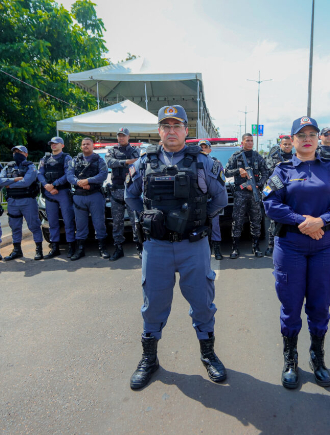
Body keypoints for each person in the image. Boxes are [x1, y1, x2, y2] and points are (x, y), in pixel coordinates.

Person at [124, 105, 229, 390]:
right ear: (159, 131)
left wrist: (198, 219)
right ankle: (149, 359)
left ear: (186, 130)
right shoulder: (144, 163)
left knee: (202, 303)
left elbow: (220, 199)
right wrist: (149, 219)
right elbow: (130, 196)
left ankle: (208, 354)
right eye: (166, 126)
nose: (171, 131)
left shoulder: (203, 163)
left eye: (177, 125)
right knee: (153, 304)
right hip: (156, 246)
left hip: (193, 245)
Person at [263, 116, 330, 389]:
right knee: (291, 304)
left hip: (324, 246)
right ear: (292, 140)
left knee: (320, 303)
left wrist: (322, 221)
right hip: (290, 245)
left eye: (312, 134)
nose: (307, 139)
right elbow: (270, 203)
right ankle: (290, 358)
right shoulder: (282, 170)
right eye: (301, 135)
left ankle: (317, 356)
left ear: (318, 139)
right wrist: (303, 221)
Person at [224, 133, 269, 258]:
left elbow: (266, 172)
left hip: (254, 193)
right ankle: (235, 248)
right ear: (242, 142)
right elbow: (226, 172)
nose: (250, 143)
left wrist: (258, 185)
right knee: (237, 221)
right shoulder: (236, 157)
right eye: (247, 140)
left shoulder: (257, 156)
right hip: (240, 193)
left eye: (251, 141)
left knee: (256, 220)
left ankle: (256, 247)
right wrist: (238, 171)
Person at [0, 146, 44, 261]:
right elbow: (0, 181)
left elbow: (26, 182)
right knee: (15, 226)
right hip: (12, 201)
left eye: (19, 152)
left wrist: (9, 184)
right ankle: (17, 250)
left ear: (26, 154)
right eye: (15, 152)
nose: (16, 153)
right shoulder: (8, 167)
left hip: (28, 201)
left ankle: (39, 250)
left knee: (34, 225)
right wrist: (15, 179)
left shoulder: (30, 167)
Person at [68, 137, 110, 261]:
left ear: (92, 146)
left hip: (95, 195)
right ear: (81, 146)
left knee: (99, 223)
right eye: (83, 144)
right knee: (80, 224)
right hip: (79, 196)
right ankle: (80, 249)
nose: (85, 146)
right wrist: (79, 182)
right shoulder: (75, 160)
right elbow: (69, 175)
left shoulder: (99, 160)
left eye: (88, 144)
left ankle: (102, 248)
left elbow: (103, 175)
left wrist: (88, 181)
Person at [105, 127, 142, 261]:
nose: (121, 138)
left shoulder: (135, 150)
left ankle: (139, 247)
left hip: (132, 189)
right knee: (117, 223)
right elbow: (109, 162)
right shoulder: (112, 150)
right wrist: (126, 162)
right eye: (119, 135)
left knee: (136, 221)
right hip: (117, 190)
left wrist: (122, 163)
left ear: (128, 137)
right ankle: (118, 248)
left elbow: (138, 163)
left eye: (123, 135)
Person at [38, 136, 75, 259]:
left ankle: (71, 246)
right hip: (49, 193)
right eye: (52, 143)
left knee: (68, 221)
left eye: (56, 143)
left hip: (62, 192)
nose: (53, 145)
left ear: (62, 145)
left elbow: (68, 174)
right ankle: (55, 248)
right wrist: (46, 186)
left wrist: (54, 185)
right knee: (52, 222)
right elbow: (40, 174)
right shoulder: (45, 158)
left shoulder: (67, 158)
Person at [263, 135, 294, 256]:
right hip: (277, 190)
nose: (287, 146)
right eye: (285, 144)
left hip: (290, 191)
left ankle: (289, 244)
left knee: (291, 217)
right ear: (281, 145)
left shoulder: (296, 157)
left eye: (289, 144)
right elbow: (268, 170)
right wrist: (279, 166)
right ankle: (271, 245)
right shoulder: (274, 157)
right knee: (274, 219)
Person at [199, 139, 225, 260]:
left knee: (214, 225)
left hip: (211, 199)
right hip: (198, 200)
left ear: (210, 149)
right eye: (201, 147)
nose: (203, 149)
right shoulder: (192, 162)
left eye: (205, 147)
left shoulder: (215, 163)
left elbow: (220, 181)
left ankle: (217, 249)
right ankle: (203, 250)